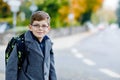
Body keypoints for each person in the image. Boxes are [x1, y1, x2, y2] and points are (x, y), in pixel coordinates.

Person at [6, 11, 57, 80]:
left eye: (44, 26)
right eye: (36, 25)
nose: (40, 28)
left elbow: (51, 67)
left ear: (48, 28)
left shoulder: (48, 43)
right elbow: (11, 70)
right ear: (30, 27)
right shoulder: (21, 43)